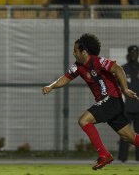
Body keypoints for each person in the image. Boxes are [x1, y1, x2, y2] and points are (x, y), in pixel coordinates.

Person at [42, 33, 139, 170]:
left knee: (84, 120)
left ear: (84, 52)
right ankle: (105, 154)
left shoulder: (97, 61)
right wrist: (51, 86)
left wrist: (125, 89)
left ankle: (104, 154)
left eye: (75, 50)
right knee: (130, 137)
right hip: (109, 103)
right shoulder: (78, 66)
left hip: (111, 99)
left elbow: (117, 69)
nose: (73, 53)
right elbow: (65, 78)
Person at [118, 45, 139, 162]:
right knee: (125, 134)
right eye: (132, 52)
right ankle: (122, 159)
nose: (134, 55)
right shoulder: (123, 69)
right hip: (126, 107)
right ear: (128, 54)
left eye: (136, 53)